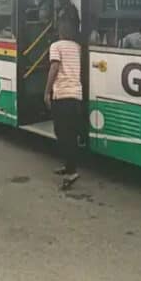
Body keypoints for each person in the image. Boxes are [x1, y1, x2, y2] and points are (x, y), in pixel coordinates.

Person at [45, 20, 84, 190]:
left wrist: (47, 91)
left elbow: (54, 67)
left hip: (61, 94)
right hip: (75, 95)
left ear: (60, 31)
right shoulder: (77, 47)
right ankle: (68, 166)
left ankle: (72, 171)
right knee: (70, 133)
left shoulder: (56, 46)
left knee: (62, 133)